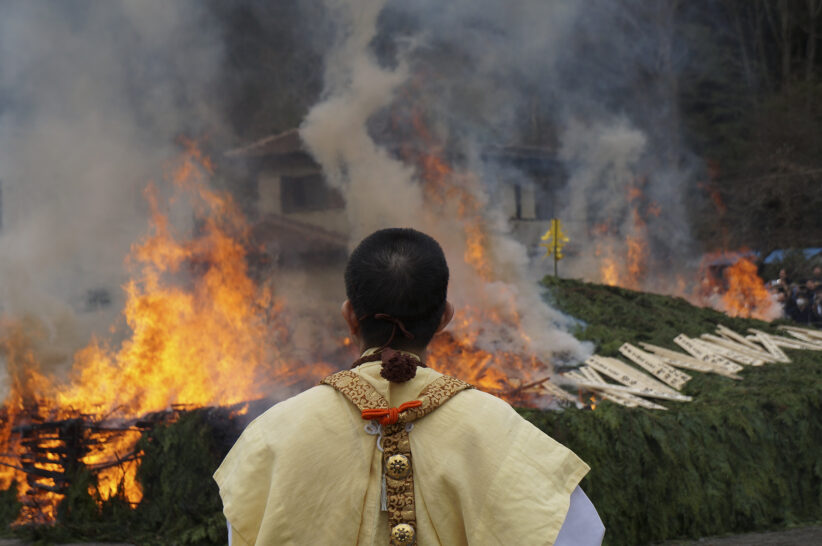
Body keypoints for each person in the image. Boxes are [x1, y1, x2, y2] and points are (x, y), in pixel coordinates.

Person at [213, 228, 604, 545]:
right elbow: (577, 535)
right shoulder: (498, 429)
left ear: (349, 317)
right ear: (444, 318)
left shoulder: (273, 435)